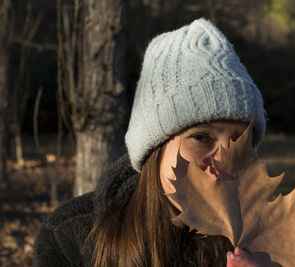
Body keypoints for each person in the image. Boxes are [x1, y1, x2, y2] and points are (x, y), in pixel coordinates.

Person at [34, 18, 266, 267]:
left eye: (241, 141)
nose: (225, 161)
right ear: (154, 147)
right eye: (201, 137)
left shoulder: (274, 239)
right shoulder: (69, 237)